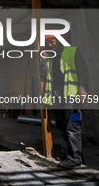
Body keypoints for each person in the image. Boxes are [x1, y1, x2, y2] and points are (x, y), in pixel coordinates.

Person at [40, 34, 90, 169]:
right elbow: (44, 75)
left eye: (52, 42)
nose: (50, 45)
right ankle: (75, 155)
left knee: (72, 126)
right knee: (61, 125)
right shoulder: (49, 56)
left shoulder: (72, 51)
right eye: (47, 43)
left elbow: (84, 72)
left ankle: (74, 158)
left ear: (59, 41)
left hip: (72, 95)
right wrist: (43, 60)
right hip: (56, 95)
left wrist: (83, 89)